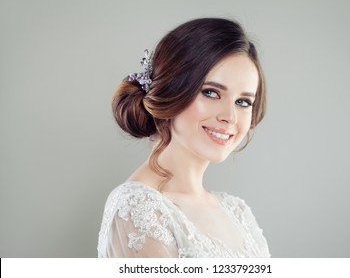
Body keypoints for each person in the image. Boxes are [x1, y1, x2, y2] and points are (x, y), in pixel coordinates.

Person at [97, 17, 270, 258]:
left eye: (243, 102)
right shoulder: (138, 207)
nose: (230, 116)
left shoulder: (236, 211)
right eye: (211, 93)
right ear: (172, 91)